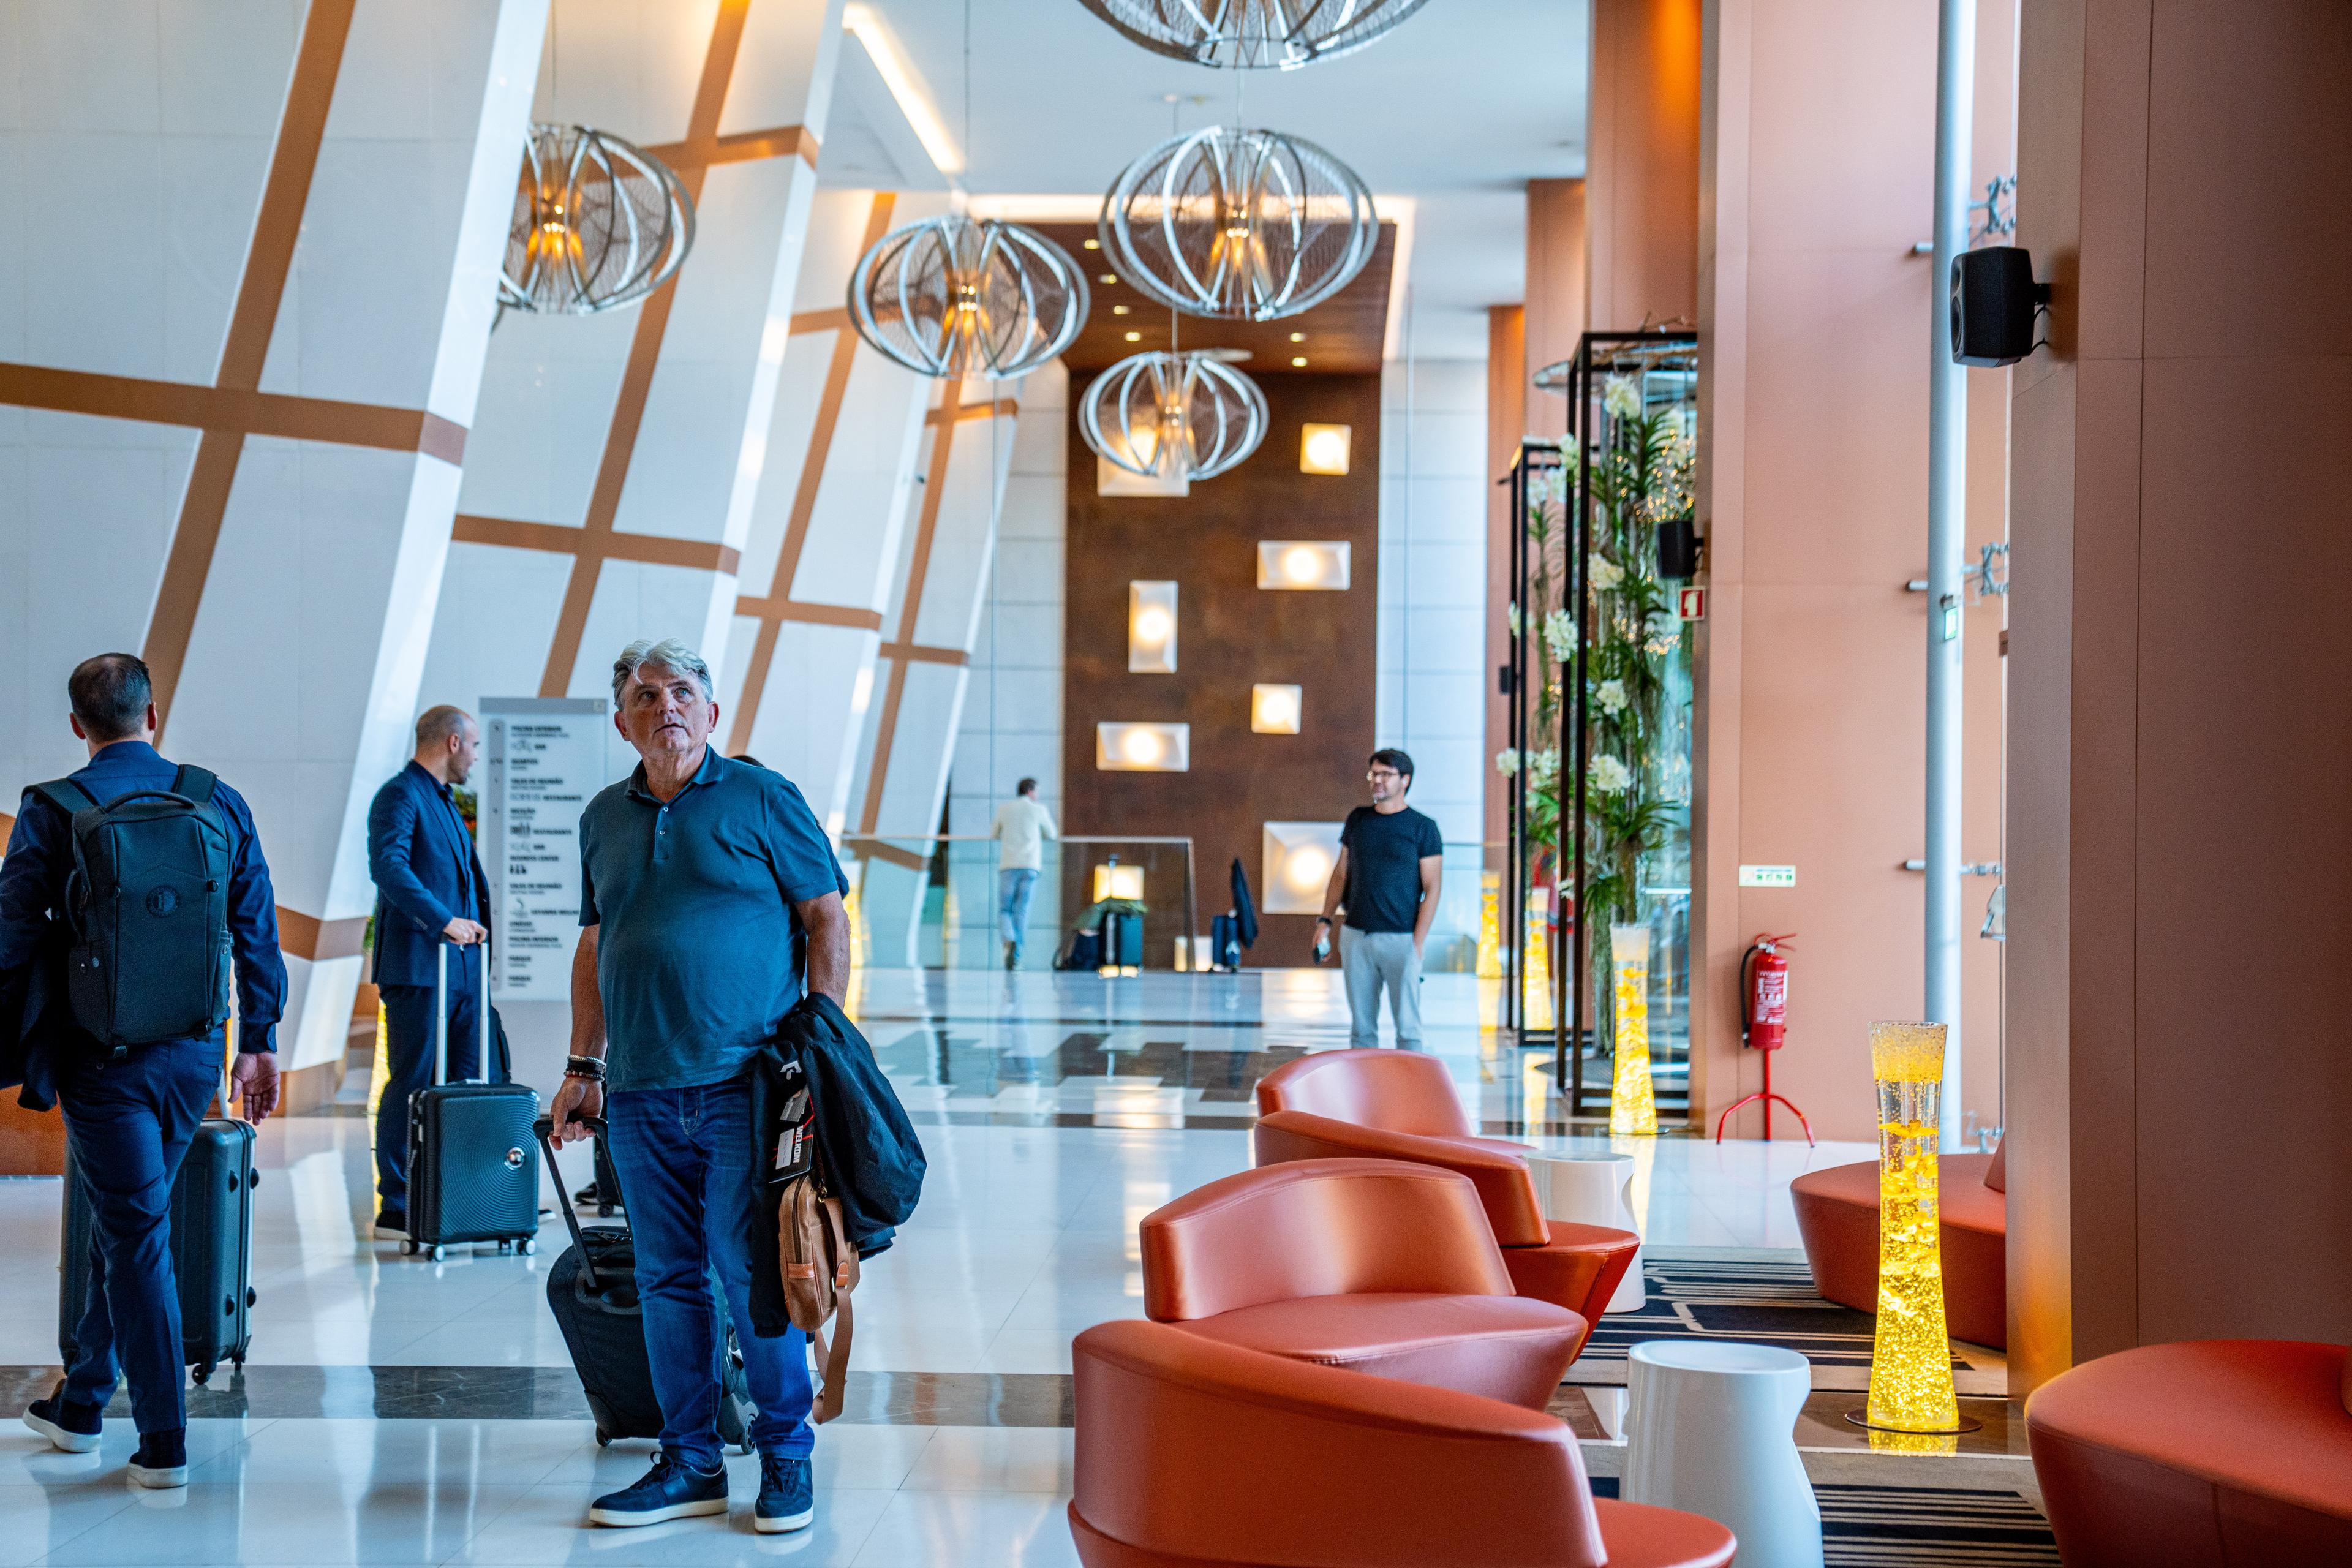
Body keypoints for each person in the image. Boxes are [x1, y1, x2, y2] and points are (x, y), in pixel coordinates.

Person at [549, 638, 851, 1536]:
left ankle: (786, 1453)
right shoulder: (603, 817)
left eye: (682, 692)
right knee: (667, 1279)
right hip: (640, 1093)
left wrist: (824, 1045)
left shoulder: (763, 797)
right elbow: (597, 944)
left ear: (712, 713)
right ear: (623, 723)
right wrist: (583, 1068)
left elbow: (825, 918)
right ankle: (690, 1460)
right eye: (645, 696)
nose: (665, 707)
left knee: (752, 1271)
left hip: (745, 1087)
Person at [2, 654, 284, 1488]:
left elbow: (12, 935)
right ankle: (82, 1401)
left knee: (134, 1233)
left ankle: (163, 1441)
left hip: (101, 1060)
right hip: (195, 1053)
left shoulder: (53, 809)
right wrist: (260, 1037)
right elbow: (255, 923)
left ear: (77, 726)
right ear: (152, 715)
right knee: (133, 1221)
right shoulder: (215, 800)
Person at [364, 705, 491, 1239]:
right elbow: (388, 866)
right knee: (412, 1080)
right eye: (475, 745)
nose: (476, 758)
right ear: (453, 742)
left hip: (461, 970)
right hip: (419, 968)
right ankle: (397, 1200)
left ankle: (462, 1193)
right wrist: (443, 921)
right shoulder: (400, 795)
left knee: (467, 1078)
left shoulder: (442, 801)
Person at [1316, 748, 1444, 1049]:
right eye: (1374, 774)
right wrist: (1324, 922)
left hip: (1402, 938)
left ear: (1405, 780)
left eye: (1386, 774)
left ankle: (1410, 1079)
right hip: (1356, 936)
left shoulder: (1423, 827)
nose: (1378, 780)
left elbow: (1433, 887)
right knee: (1361, 1030)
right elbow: (1340, 875)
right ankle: (1365, 1079)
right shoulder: (1358, 820)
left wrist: (1418, 943)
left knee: (1409, 1029)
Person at [988, 778, 1057, 970]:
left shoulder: (1005, 810)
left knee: (1005, 910)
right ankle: (1017, 955)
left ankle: (1009, 939)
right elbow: (1052, 834)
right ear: (1030, 791)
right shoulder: (1038, 810)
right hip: (1030, 866)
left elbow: (994, 834)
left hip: (1008, 865)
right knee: (1022, 910)